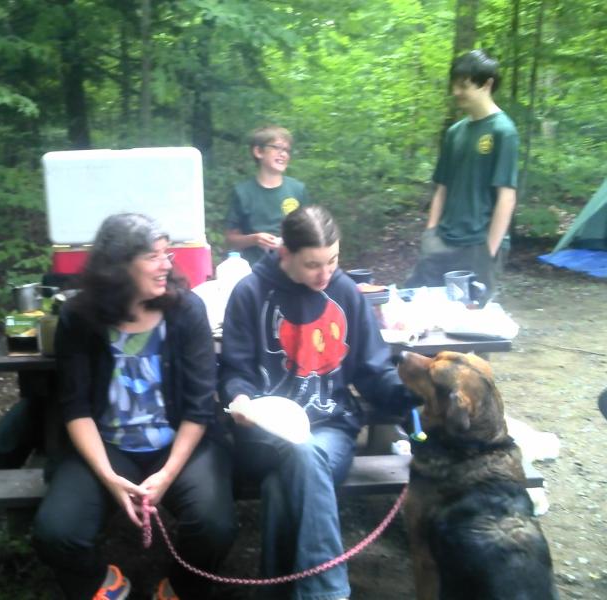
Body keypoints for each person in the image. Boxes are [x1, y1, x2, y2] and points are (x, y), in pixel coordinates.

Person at [33, 213, 237, 600]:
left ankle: (179, 588)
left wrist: (168, 474)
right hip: (108, 446)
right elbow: (75, 407)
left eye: (166, 254)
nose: (167, 265)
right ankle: (103, 583)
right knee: (56, 533)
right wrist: (109, 477)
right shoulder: (79, 316)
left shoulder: (186, 310)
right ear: (118, 266)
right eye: (153, 256)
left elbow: (198, 408)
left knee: (215, 527)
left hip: (179, 443)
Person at [219, 205, 419, 600]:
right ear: (285, 253)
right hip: (263, 432)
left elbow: (373, 370)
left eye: (333, 260)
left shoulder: (345, 293)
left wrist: (408, 394)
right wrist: (238, 397)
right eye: (313, 264)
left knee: (288, 478)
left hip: (330, 429)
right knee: (300, 455)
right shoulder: (249, 293)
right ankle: (327, 591)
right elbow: (234, 371)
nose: (325, 274)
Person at [405, 49, 519, 297]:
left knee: (469, 314)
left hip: (478, 244)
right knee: (423, 304)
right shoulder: (455, 132)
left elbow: (506, 197)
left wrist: (489, 251)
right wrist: (431, 233)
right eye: (454, 85)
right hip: (442, 240)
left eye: (463, 86)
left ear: (487, 84)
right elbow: (442, 187)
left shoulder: (503, 131)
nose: (456, 92)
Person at [224, 125, 310, 265]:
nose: (283, 154)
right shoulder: (242, 192)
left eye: (287, 150)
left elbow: (310, 233)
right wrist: (255, 239)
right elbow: (231, 240)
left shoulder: (297, 190)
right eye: (277, 148)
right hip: (255, 268)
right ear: (258, 151)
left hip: (293, 268)